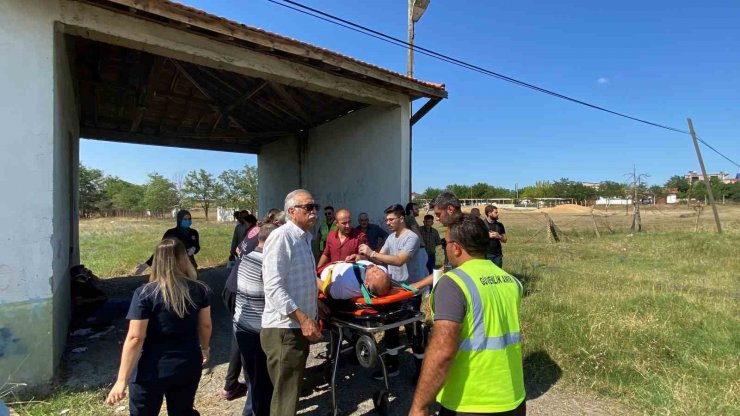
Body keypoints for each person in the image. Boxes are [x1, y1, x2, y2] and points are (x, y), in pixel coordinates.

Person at [409, 214, 526, 416]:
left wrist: (419, 405)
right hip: (513, 397)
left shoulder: (453, 283)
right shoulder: (511, 281)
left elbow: (443, 351)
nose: (444, 247)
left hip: (470, 402)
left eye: (445, 242)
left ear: (456, 247)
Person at [106, 238, 212, 416]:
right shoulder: (199, 290)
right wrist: (205, 347)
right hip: (187, 364)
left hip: (151, 367)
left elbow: (135, 338)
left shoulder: (145, 293)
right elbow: (205, 324)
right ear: (183, 258)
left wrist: (121, 379)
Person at [261, 189, 329, 416]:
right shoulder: (282, 238)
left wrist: (315, 303)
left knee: (291, 392)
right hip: (284, 330)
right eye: (308, 207)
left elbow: (301, 278)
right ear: (291, 211)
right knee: (285, 400)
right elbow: (273, 287)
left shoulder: (304, 238)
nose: (314, 211)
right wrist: (303, 319)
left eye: (314, 207)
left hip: (294, 328)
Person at [359, 204, 427, 379]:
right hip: (393, 291)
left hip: (410, 291)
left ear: (401, 218)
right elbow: (380, 258)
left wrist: (372, 253)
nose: (387, 223)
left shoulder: (411, 238)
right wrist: (362, 257)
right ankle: (392, 366)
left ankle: (421, 369)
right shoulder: (391, 238)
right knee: (391, 329)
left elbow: (399, 260)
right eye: (386, 220)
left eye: (391, 219)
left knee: (413, 329)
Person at [233, 223, 278, 416]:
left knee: (252, 377)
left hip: (242, 327)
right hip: (258, 331)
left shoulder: (247, 257)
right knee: (263, 383)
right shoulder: (267, 263)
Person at [220, 214, 258, 401]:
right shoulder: (268, 236)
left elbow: (237, 249)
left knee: (240, 334)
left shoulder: (253, 232)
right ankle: (251, 386)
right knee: (247, 336)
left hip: (232, 287)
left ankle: (231, 384)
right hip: (241, 291)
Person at [136, 209, 200, 274]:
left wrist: (194, 249)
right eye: (185, 219)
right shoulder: (171, 233)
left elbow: (197, 246)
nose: (188, 221)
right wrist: (146, 264)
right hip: (174, 267)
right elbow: (161, 250)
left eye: (189, 219)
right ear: (179, 220)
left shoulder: (193, 232)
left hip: (190, 265)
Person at [317, 260, 391, 300]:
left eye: (374, 273)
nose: (375, 267)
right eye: (378, 270)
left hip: (325, 272)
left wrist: (313, 278)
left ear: (366, 284)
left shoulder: (347, 286)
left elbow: (326, 289)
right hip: (345, 262)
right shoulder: (383, 271)